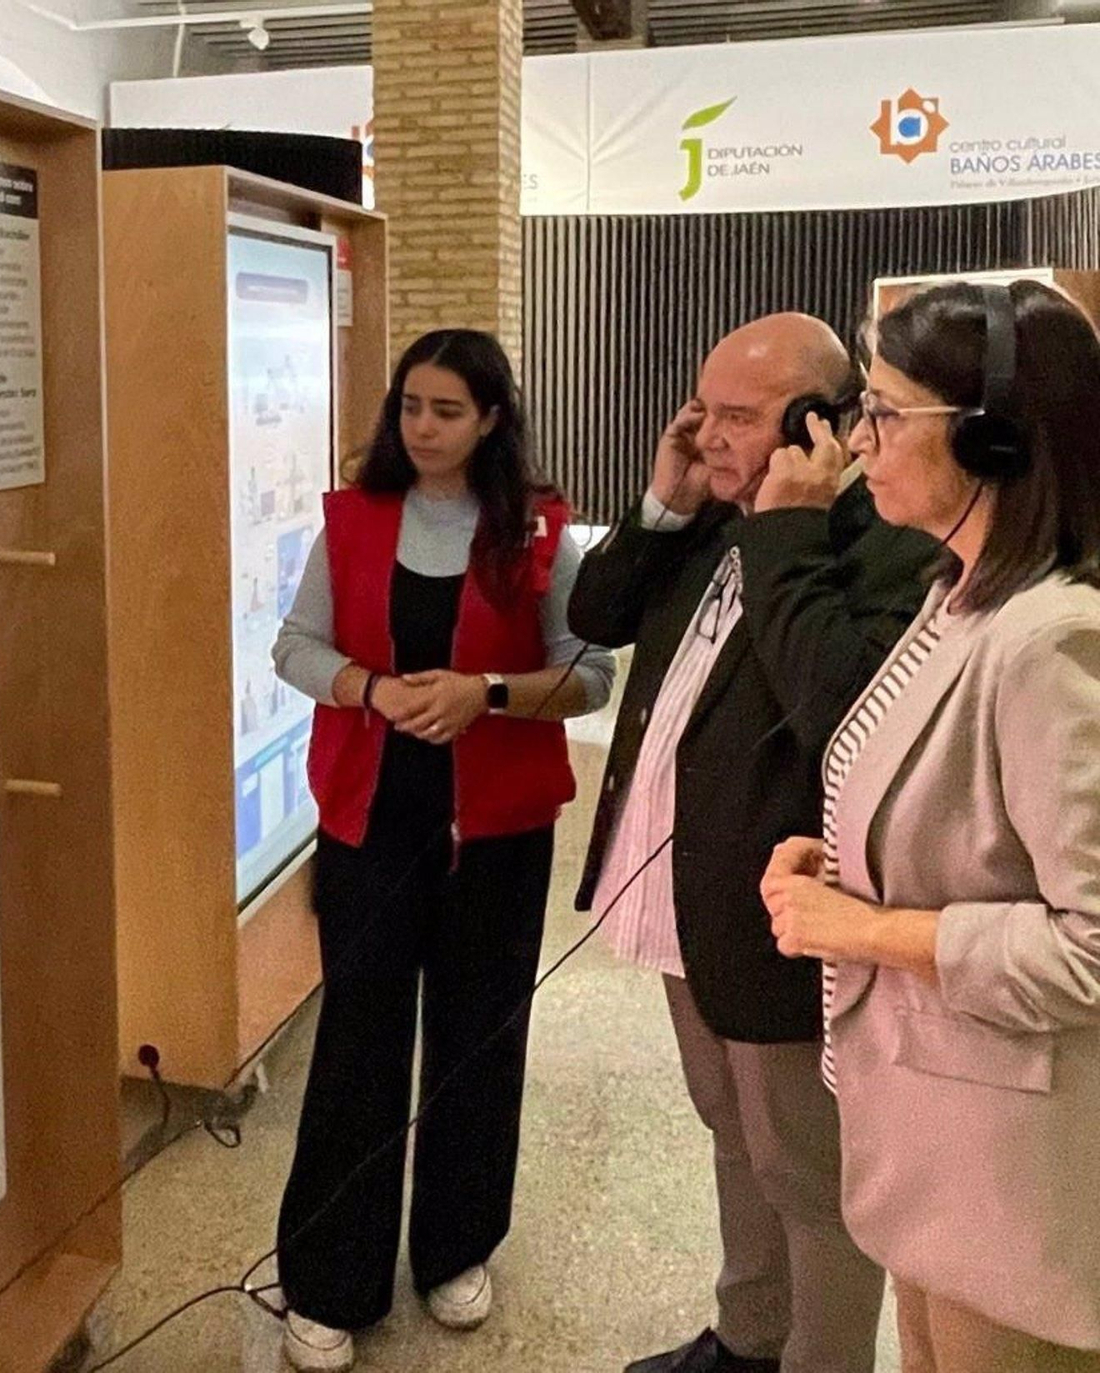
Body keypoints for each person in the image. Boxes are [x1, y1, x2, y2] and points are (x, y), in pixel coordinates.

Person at [568, 314, 938, 1373]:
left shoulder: (880, 539)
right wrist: (663, 501)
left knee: (807, 1177)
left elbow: (840, 703)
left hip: (781, 921)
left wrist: (788, 525)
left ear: (820, 423)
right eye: (702, 406)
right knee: (729, 1131)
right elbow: (597, 611)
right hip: (686, 903)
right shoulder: (706, 516)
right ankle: (747, 1336)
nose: (707, 430)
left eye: (737, 415)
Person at [763, 280, 1100, 1373]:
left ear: (992, 439)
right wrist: (844, 861)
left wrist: (856, 929)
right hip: (933, 1140)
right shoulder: (956, 592)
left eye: (884, 410)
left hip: (1008, 1176)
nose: (857, 439)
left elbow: (1090, 946)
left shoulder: (1051, 638)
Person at [271, 329, 615, 1372]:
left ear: (492, 420)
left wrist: (487, 695)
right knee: (358, 1044)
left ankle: (456, 1247)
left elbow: (591, 675)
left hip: (498, 829)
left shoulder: (542, 531)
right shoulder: (353, 519)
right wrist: (371, 688)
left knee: (476, 1036)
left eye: (446, 411)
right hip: (370, 816)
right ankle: (331, 1276)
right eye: (410, 406)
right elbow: (295, 647)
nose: (421, 428)